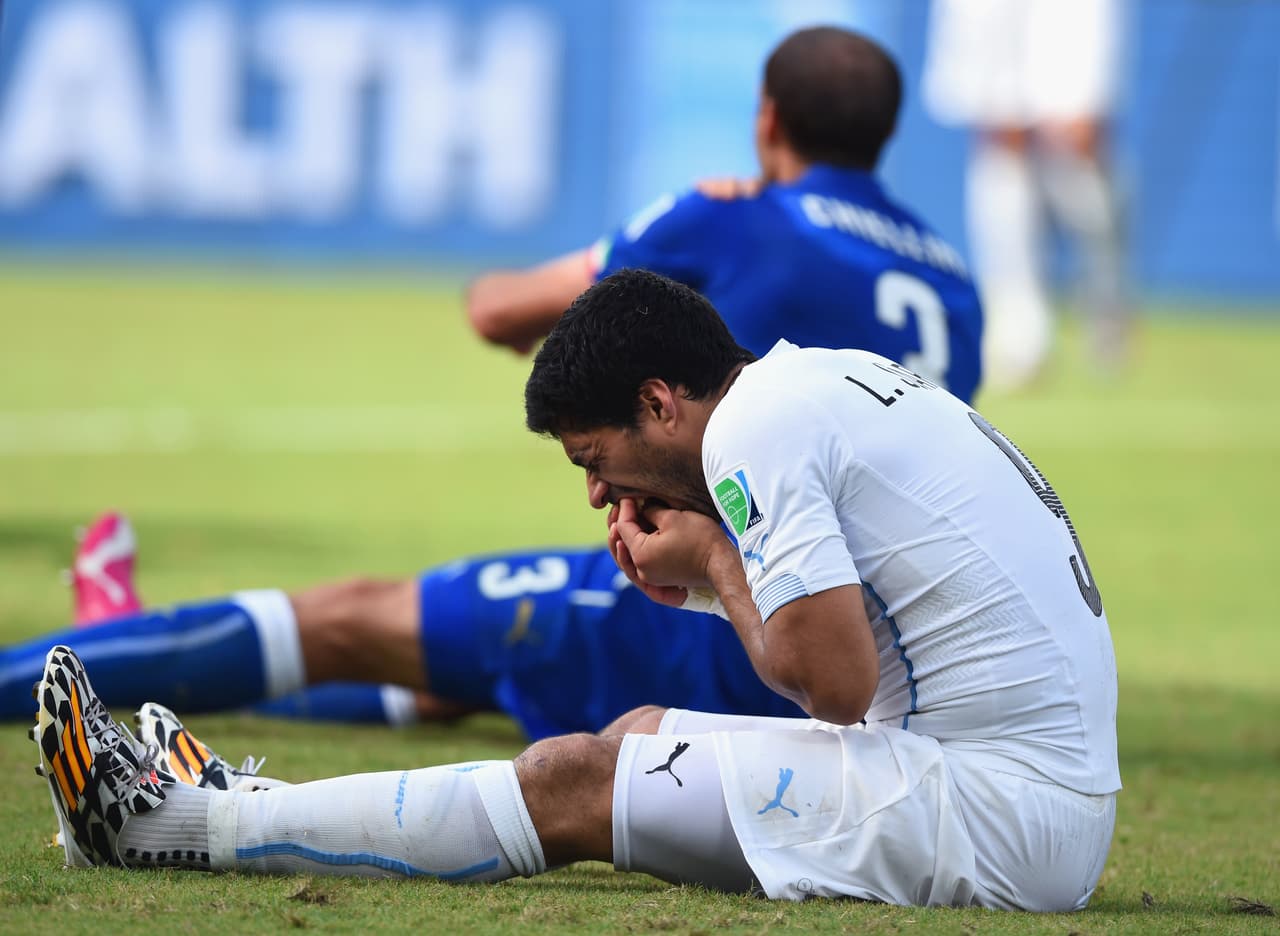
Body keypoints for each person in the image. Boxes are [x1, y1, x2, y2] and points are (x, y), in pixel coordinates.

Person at [2, 26, 983, 738]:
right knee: (448, 672)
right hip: (880, 644)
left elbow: (499, 312)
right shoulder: (950, 278)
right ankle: (123, 661)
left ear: (766, 117)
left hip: (739, 636)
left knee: (350, 615)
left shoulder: (731, 219)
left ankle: (78, 658)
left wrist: (640, 258)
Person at [34, 268, 1117, 911]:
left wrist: (711, 563)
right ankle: (238, 806)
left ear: (659, 402)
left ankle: (179, 826)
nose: (599, 490)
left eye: (591, 458)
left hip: (1002, 815)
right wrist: (706, 577)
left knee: (571, 780)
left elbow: (832, 683)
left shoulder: (753, 428)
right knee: (638, 734)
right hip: (1014, 785)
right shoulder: (803, 383)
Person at [923, 0, 1131, 390]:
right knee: (1004, 188)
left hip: (1069, 78)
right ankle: (1021, 338)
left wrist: (1089, 96)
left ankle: (1108, 314)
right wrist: (986, 96)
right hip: (1001, 80)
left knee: (1088, 195)